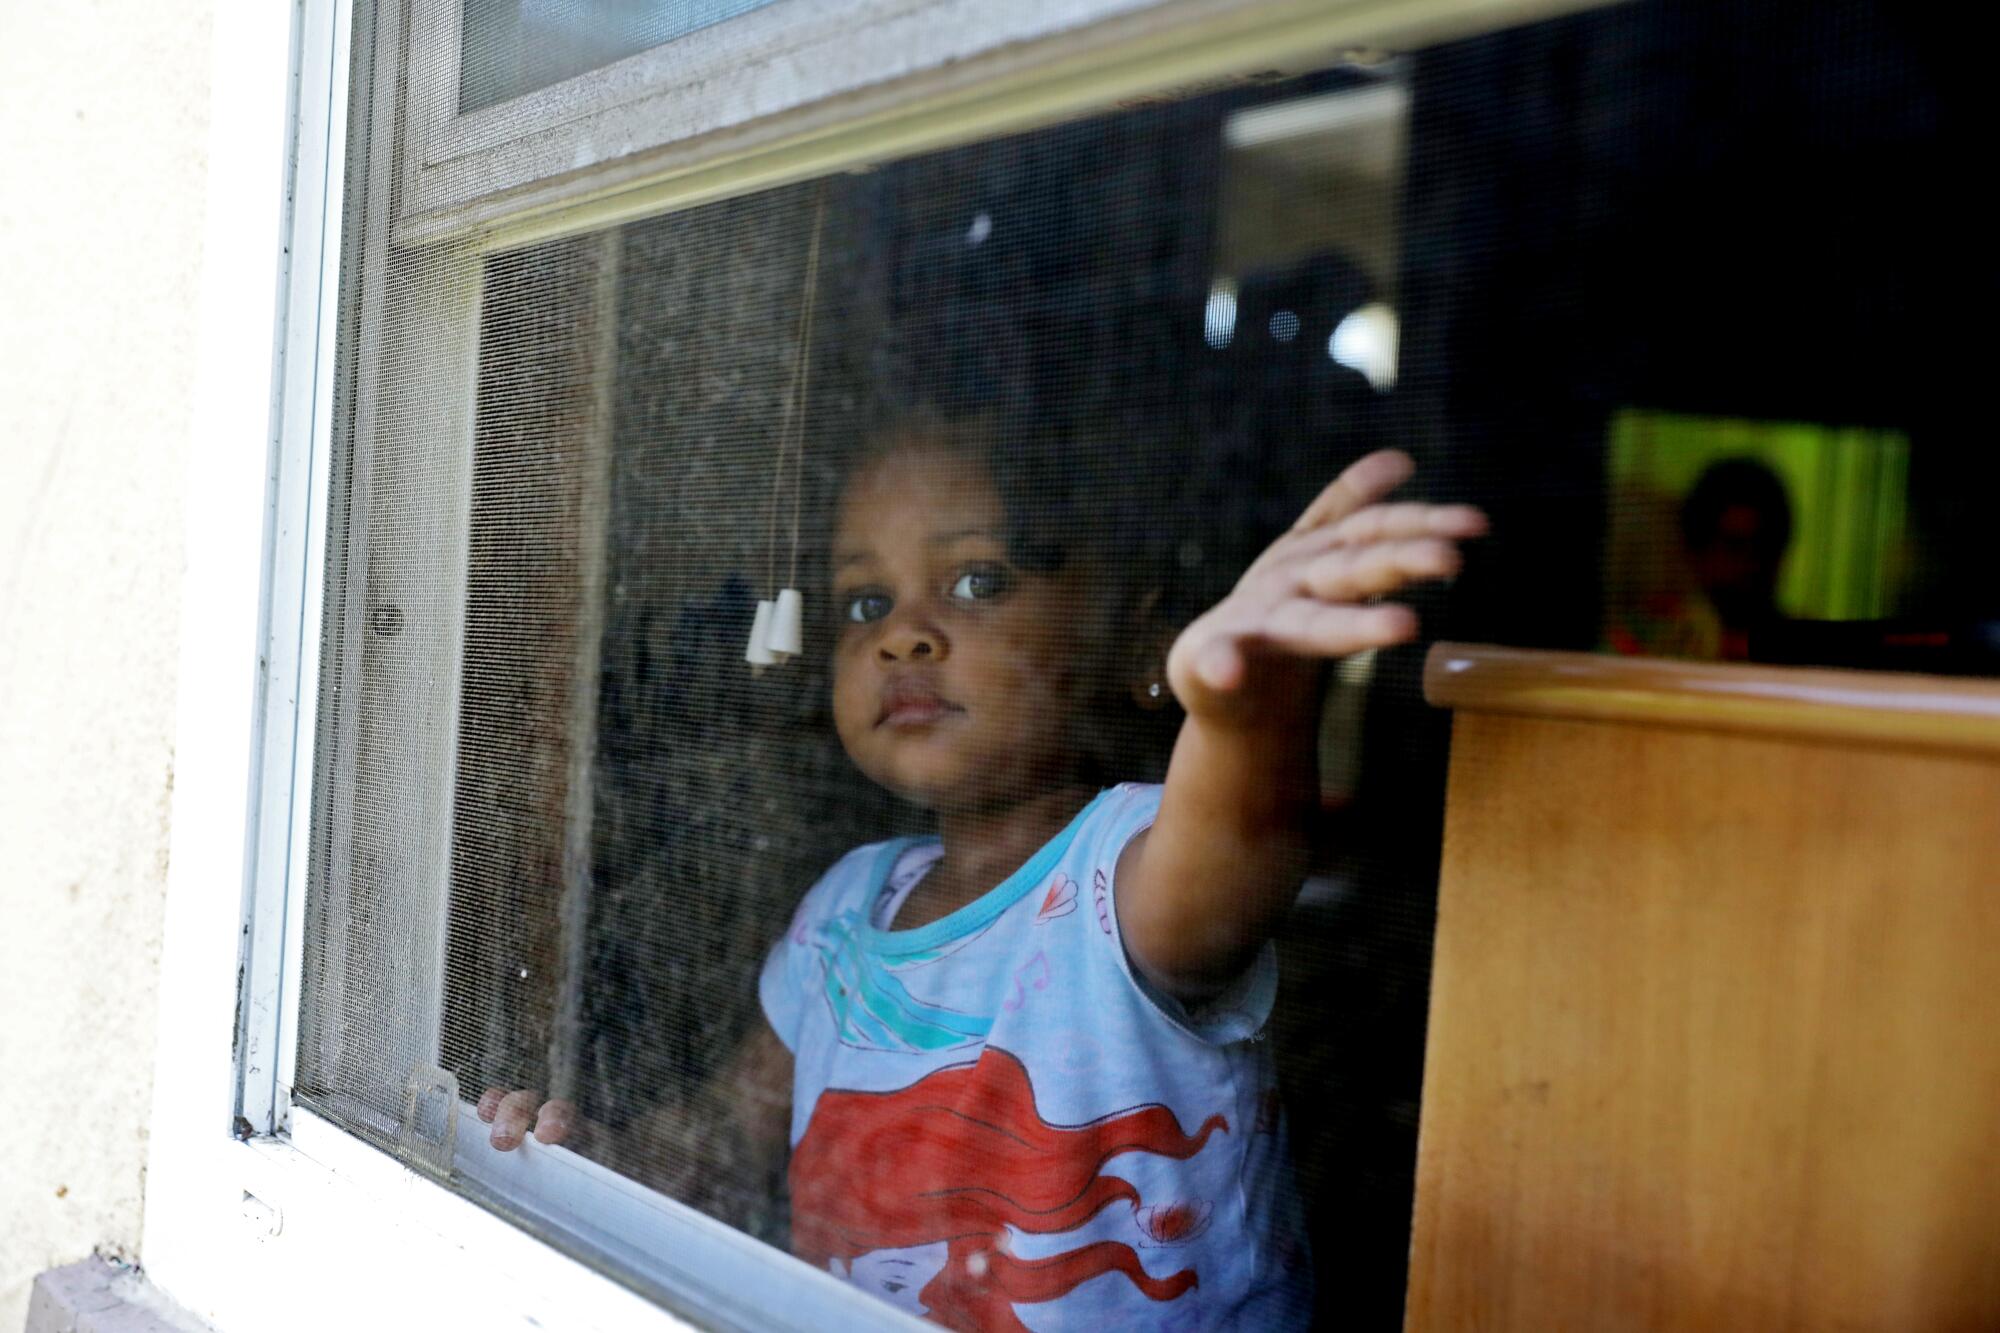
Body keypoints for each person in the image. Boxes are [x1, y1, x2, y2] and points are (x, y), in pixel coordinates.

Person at [481, 418, 1486, 1331]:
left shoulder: (1119, 869)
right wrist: (593, 1160)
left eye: (976, 581)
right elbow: (720, 1136)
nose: (903, 633)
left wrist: (1245, 707)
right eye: (864, 601)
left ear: (1138, 642)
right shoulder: (844, 911)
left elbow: (1227, 869)